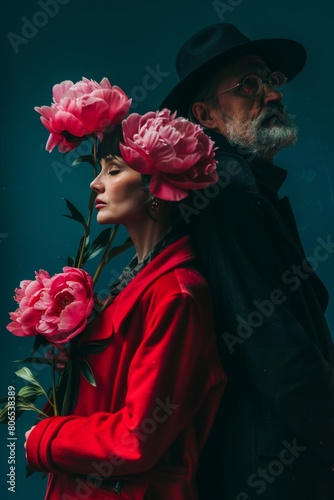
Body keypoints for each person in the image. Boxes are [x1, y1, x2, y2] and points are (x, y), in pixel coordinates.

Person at [161, 22, 334, 499]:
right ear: (207, 116)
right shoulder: (227, 188)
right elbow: (272, 341)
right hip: (272, 468)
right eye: (249, 86)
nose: (273, 95)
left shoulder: (250, 185)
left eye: (271, 80)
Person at [24, 109, 226, 499]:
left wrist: (44, 439)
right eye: (99, 170)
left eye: (114, 170)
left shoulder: (178, 295)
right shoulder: (132, 280)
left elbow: (137, 438)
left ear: (156, 189)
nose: (95, 185)